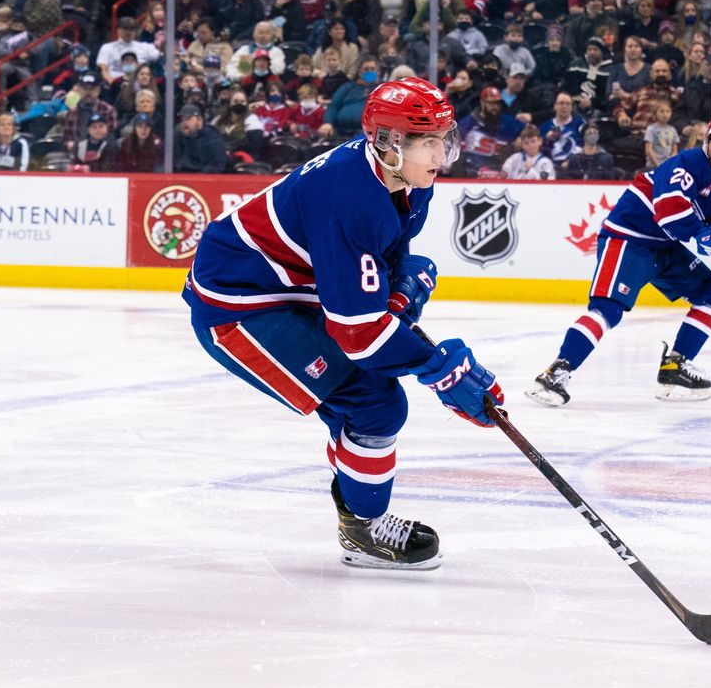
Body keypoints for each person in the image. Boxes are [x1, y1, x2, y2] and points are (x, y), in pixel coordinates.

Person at [182, 78, 502, 570]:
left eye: (445, 138)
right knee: (373, 403)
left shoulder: (408, 182)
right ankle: (364, 527)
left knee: (410, 290)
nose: (443, 154)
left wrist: (396, 294)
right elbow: (358, 334)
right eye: (430, 142)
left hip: (294, 289)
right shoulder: (346, 194)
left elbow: (391, 254)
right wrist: (440, 369)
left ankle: (354, 482)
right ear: (389, 143)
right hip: (240, 307)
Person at [525, 113, 711, 407]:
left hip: (664, 248)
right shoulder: (689, 163)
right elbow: (668, 212)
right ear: (707, 141)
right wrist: (702, 231)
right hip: (629, 237)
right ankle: (558, 371)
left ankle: (675, 366)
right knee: (608, 309)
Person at [174, 104, 228, 173]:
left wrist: (200, 176)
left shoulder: (212, 138)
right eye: (182, 119)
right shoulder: (177, 136)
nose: (184, 122)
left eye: (188, 119)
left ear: (199, 120)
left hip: (203, 178)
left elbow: (217, 165)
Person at [643, 101, 680, 169]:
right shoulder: (651, 129)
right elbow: (648, 150)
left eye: (667, 111)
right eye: (661, 111)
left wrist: (670, 163)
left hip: (668, 166)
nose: (665, 114)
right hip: (653, 166)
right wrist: (658, 165)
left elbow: (674, 150)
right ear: (655, 113)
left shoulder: (673, 130)